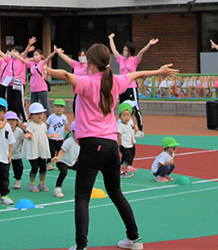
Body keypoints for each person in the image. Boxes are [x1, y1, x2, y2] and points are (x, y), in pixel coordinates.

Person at [45, 43, 179, 250]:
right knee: (116, 193)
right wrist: (159, 71)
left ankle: (81, 246)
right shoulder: (115, 80)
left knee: (82, 197)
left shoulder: (87, 83)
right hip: (110, 146)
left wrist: (45, 69)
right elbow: (137, 75)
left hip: (92, 145)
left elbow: (64, 74)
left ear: (90, 63)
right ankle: (134, 239)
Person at [109, 34, 159, 132]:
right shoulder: (121, 60)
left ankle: (140, 129)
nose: (124, 52)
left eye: (126, 50)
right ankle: (122, 128)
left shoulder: (134, 60)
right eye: (124, 50)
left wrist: (149, 44)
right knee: (122, 107)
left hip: (131, 87)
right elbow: (114, 50)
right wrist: (111, 39)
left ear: (130, 51)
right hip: (122, 88)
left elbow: (141, 52)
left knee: (135, 108)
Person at [0, 37, 35, 118]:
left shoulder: (21, 59)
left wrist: (29, 44)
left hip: (18, 83)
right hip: (9, 83)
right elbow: (0, 53)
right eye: (13, 51)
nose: (13, 53)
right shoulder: (9, 59)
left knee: (19, 102)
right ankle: (12, 116)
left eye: (15, 51)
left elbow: (25, 53)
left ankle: (24, 118)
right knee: (9, 101)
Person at [23, 102, 51, 191]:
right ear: (31, 116)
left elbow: (44, 134)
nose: (40, 116)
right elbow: (29, 133)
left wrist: (53, 135)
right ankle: (32, 184)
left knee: (43, 166)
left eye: (41, 113)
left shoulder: (43, 125)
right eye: (37, 114)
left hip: (41, 149)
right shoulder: (31, 125)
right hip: (33, 150)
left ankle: (42, 183)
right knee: (34, 167)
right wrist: (28, 135)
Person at [51, 130, 79, 198]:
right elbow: (62, 151)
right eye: (76, 132)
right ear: (72, 133)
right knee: (64, 172)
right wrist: (58, 158)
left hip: (72, 162)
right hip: (62, 161)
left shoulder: (81, 142)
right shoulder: (69, 141)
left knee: (83, 170)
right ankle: (57, 189)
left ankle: (83, 187)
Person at [46, 99, 71, 170]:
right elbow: (47, 125)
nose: (59, 109)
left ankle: (59, 164)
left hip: (60, 138)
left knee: (60, 151)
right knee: (51, 151)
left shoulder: (64, 117)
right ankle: (49, 163)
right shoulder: (51, 117)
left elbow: (66, 125)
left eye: (61, 107)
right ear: (54, 108)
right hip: (52, 138)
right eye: (57, 107)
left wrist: (71, 131)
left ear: (64, 109)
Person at [116, 102, 137, 178]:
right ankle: (122, 172)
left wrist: (132, 140)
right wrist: (120, 142)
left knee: (130, 156)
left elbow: (130, 133)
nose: (126, 117)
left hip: (129, 144)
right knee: (126, 157)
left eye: (128, 115)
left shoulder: (129, 125)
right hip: (124, 145)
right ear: (120, 116)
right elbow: (119, 134)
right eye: (124, 115)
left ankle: (124, 169)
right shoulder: (120, 125)